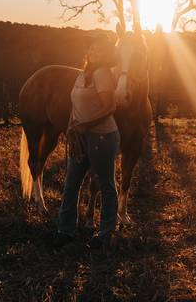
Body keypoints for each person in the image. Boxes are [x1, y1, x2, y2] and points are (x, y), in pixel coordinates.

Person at [54, 33, 120, 250]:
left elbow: (109, 107)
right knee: (71, 183)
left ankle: (105, 235)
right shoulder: (83, 74)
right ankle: (65, 231)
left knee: (106, 184)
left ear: (106, 53)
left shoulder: (101, 74)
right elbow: (75, 105)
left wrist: (86, 125)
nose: (94, 52)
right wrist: (71, 128)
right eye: (92, 48)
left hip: (102, 136)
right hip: (81, 136)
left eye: (99, 49)